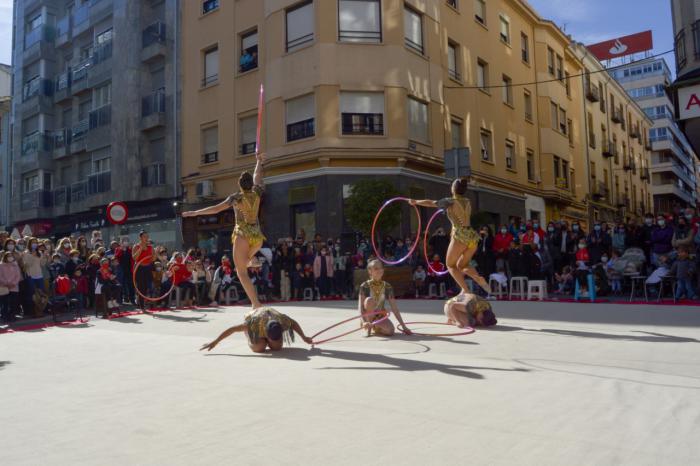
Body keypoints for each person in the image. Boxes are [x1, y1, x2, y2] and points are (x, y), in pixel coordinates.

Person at [183, 152, 266, 309]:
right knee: (244, 264)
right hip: (258, 239)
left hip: (243, 235)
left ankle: (256, 303)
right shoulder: (257, 193)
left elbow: (216, 209)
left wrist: (195, 213)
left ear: (240, 185)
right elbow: (257, 177)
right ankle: (251, 259)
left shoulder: (236, 197)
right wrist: (259, 162)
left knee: (241, 272)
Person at [409, 178, 490, 294]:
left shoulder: (450, 201)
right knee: (462, 265)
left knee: (450, 265)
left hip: (460, 236)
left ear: (453, 188)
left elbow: (431, 202)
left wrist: (415, 202)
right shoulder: (467, 201)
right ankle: (478, 278)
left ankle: (465, 290)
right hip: (472, 237)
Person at [200, 307, 313, 353]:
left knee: (277, 348)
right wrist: (215, 341)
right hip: (254, 318)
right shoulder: (255, 323)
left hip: (270, 320)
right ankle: (249, 336)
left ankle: (273, 341)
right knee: (259, 348)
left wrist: (304, 337)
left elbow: (294, 323)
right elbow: (232, 329)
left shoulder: (282, 319)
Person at [358, 260, 412, 336]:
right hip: (367, 316)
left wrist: (404, 326)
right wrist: (364, 321)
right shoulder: (364, 286)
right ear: (370, 271)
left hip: (380, 316)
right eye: (376, 268)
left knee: (390, 331)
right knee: (369, 300)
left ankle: (375, 326)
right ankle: (369, 327)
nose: (379, 270)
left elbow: (395, 308)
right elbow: (360, 307)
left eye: (381, 268)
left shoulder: (387, 286)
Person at [132, 231, 155, 310]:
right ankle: (142, 306)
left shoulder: (150, 247)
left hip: (147, 268)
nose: (147, 238)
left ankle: (149, 302)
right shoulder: (136, 246)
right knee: (141, 287)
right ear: (140, 238)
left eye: (147, 236)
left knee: (150, 286)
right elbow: (134, 258)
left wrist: (156, 252)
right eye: (145, 236)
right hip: (139, 268)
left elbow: (153, 259)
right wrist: (141, 249)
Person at [0, 251, 22, 323]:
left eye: (11, 256)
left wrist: (13, 283)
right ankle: (4, 317)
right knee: (5, 303)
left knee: (13, 303)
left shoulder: (15, 265)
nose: (10, 257)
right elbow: (0, 276)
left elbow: (18, 276)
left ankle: (12, 316)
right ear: (5, 257)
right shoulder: (1, 265)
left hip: (14, 287)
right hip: (4, 287)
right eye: (8, 256)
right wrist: (6, 283)